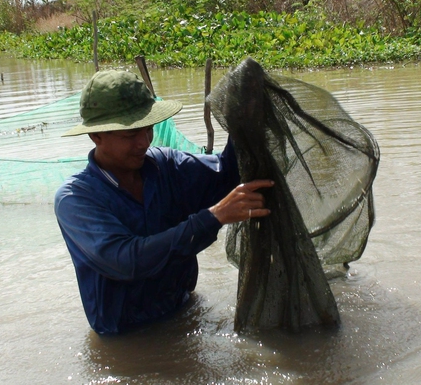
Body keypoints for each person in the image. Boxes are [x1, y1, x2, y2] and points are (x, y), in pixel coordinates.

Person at [54, 70, 273, 335]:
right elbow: (125, 260)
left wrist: (242, 116)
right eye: (130, 135)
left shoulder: (166, 166)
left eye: (148, 130)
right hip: (125, 338)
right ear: (96, 136)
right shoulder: (76, 199)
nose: (143, 143)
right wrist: (212, 218)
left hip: (183, 311)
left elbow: (226, 176)